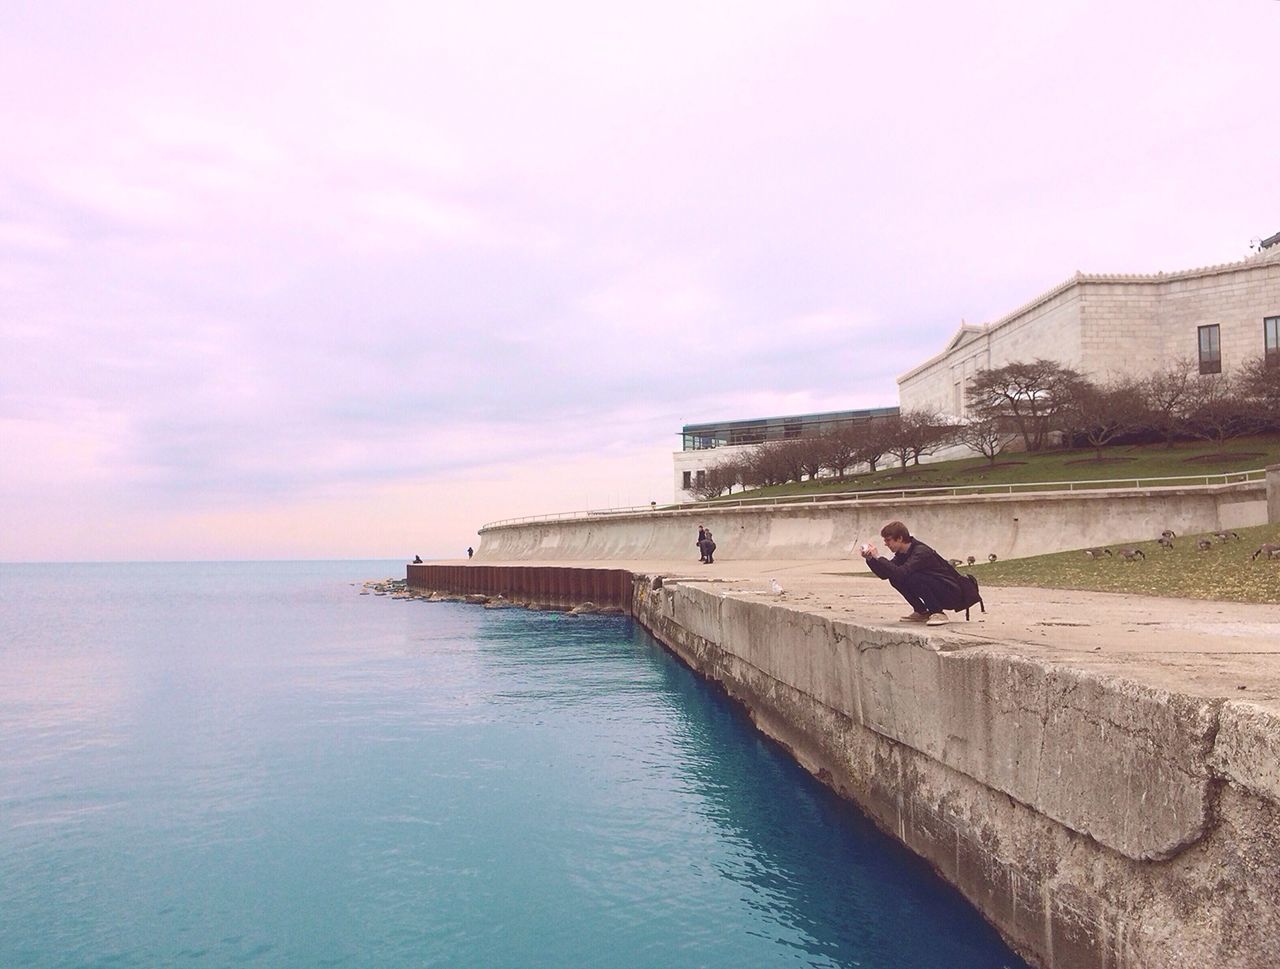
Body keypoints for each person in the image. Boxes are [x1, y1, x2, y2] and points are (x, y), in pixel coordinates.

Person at [860, 520, 966, 626]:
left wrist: (879, 557)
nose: (886, 544)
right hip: (938, 589)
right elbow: (885, 574)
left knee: (915, 577)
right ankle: (921, 611)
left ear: (900, 538)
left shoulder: (921, 551)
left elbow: (902, 572)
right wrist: (871, 559)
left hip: (950, 592)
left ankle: (937, 612)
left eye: (888, 540)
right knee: (895, 577)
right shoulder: (903, 553)